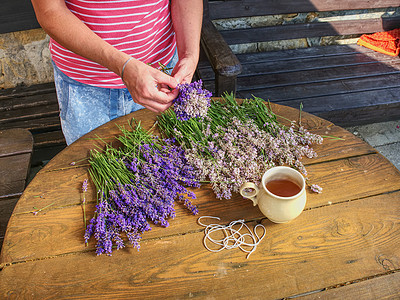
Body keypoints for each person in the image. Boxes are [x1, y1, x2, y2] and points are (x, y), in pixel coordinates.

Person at [31, 0, 203, 144]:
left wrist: (189, 54)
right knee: (91, 172)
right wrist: (123, 66)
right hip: (87, 87)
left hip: (163, 76)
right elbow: (49, 10)